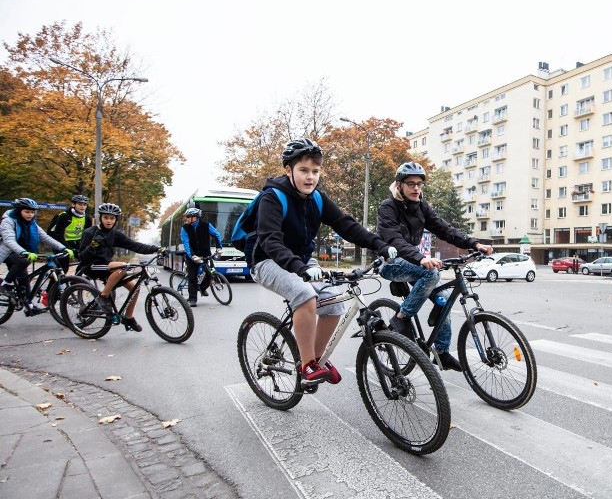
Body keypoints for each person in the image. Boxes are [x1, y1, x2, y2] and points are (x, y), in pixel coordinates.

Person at [252, 138, 397, 385]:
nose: (310, 177)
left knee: (333, 305)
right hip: (267, 261)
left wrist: (379, 245)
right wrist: (300, 268)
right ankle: (307, 365)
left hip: (302, 263)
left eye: (315, 171)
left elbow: (346, 225)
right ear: (288, 170)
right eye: (304, 170)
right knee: (305, 294)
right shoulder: (272, 198)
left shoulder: (318, 199)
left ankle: (316, 359)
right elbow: (271, 241)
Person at [377, 162, 493, 372]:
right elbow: (393, 239)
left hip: (413, 261)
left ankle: (441, 352)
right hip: (391, 262)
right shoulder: (388, 207)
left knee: (444, 300)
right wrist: (420, 257)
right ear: (399, 185)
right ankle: (401, 318)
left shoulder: (422, 207)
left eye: (419, 184)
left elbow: (445, 230)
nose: (416, 189)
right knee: (431, 272)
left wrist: (474, 244)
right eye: (411, 184)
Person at [77, 203, 163, 332]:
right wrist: (93, 245)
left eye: (112, 218)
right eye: (106, 217)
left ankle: (129, 318)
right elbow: (82, 257)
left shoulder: (115, 234)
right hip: (91, 266)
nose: (109, 221)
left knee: (135, 287)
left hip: (106, 266)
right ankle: (103, 297)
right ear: (101, 218)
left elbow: (135, 246)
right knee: (123, 266)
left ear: (116, 219)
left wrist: (156, 249)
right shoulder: (90, 233)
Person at [0, 197, 72, 316]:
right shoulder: (9, 221)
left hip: (25, 254)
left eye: (32, 212)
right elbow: (9, 240)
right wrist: (24, 252)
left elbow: (45, 237)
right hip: (9, 252)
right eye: (27, 212)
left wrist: (63, 248)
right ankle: (6, 285)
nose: (30, 214)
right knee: (23, 262)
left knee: (25, 279)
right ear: (19, 211)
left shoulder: (32, 223)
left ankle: (29, 306)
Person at [179, 207, 223, 307]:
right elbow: (186, 243)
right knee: (192, 277)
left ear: (195, 217)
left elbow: (217, 235)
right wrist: (192, 256)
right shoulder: (184, 228)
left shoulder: (206, 225)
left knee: (210, 273)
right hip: (192, 256)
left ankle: (202, 288)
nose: (186, 219)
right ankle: (193, 299)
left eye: (188, 217)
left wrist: (219, 248)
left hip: (205, 254)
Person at [46, 194, 93, 273]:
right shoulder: (64, 216)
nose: (82, 207)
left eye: (85, 204)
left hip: (76, 243)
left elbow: (87, 236)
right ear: (73, 204)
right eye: (80, 204)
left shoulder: (87, 218)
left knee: (87, 260)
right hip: (60, 242)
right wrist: (68, 249)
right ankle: (54, 284)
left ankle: (75, 281)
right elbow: (58, 235)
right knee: (63, 267)